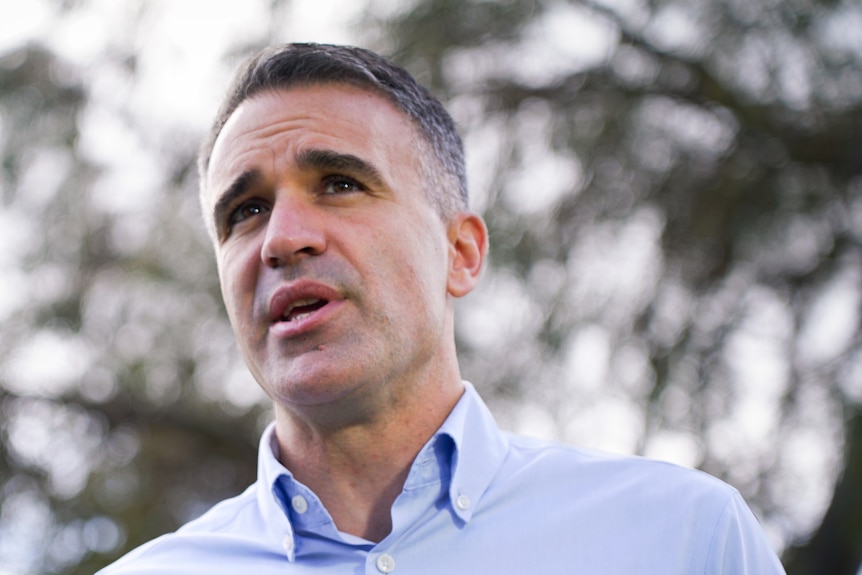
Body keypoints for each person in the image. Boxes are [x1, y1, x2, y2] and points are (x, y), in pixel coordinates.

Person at [97, 43, 786, 574]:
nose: (281, 239)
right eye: (245, 211)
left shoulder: (682, 538)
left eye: (339, 182)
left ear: (461, 253)